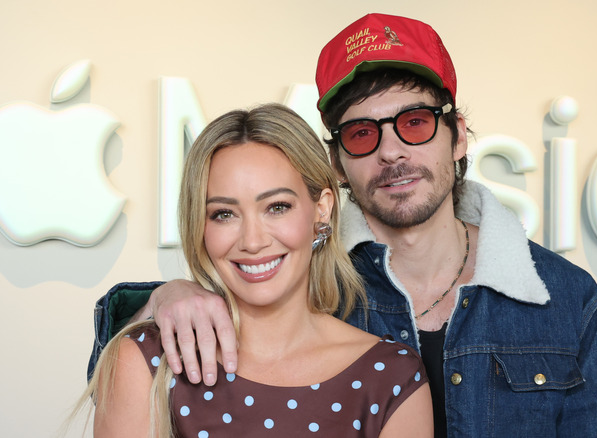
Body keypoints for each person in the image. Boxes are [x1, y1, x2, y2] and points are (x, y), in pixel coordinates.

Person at [88, 13, 597, 437]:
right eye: (363, 134)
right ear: (337, 163)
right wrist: (166, 295)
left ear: (458, 135)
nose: (392, 151)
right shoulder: (308, 281)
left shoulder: (565, 300)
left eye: (415, 123)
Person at [80, 103, 432, 437]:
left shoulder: (391, 376)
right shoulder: (145, 360)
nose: (252, 241)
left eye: (277, 207)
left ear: (321, 210)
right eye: (224, 214)